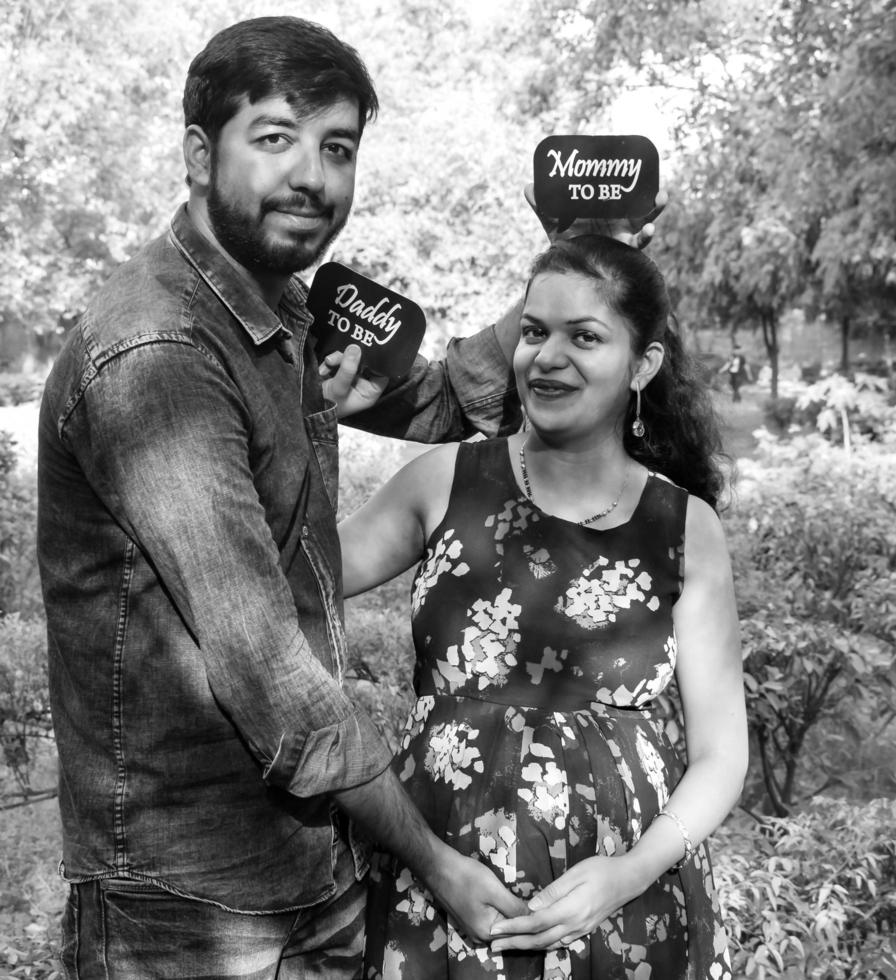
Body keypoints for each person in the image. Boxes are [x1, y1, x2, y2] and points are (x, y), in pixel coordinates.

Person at [36, 16, 538, 979]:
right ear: (197, 153)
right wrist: (431, 858)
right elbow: (270, 677)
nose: (310, 174)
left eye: (336, 147)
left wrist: (562, 259)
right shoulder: (160, 357)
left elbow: (444, 401)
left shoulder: (284, 313)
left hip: (309, 869)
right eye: (274, 138)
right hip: (186, 905)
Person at [339, 235, 748, 979]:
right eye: (534, 332)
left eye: (583, 337)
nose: (546, 357)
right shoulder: (443, 483)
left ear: (642, 366)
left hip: (626, 911)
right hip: (443, 890)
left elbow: (722, 756)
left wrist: (626, 875)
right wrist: (309, 418)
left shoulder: (684, 528)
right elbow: (283, 576)